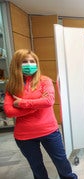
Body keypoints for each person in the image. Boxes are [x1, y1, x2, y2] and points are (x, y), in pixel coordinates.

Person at [4, 49, 77, 179]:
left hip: (49, 131)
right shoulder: (12, 85)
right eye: (24, 61)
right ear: (17, 64)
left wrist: (21, 103)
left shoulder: (45, 81)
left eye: (32, 61)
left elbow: (49, 101)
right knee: (37, 168)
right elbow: (9, 112)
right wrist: (37, 105)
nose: (29, 64)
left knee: (62, 164)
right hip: (24, 136)